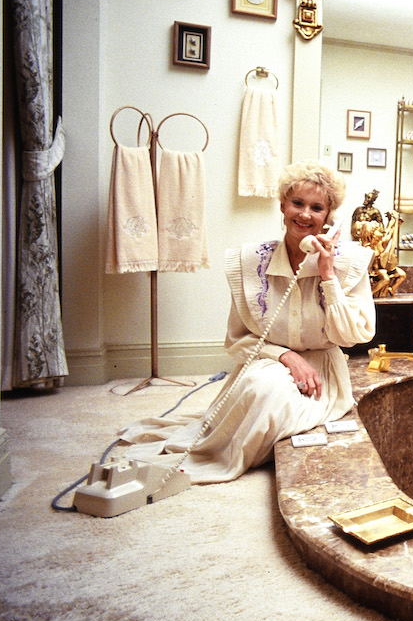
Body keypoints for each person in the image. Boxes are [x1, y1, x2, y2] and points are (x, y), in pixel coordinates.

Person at [119, 161, 375, 483]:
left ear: (329, 218)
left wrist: (327, 277)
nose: (305, 215)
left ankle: (236, 453)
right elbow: (237, 339)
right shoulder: (251, 262)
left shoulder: (347, 264)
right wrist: (286, 356)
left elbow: (355, 335)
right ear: (282, 205)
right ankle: (215, 452)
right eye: (297, 203)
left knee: (273, 399)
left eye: (317, 208)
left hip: (321, 372)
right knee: (263, 387)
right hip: (269, 363)